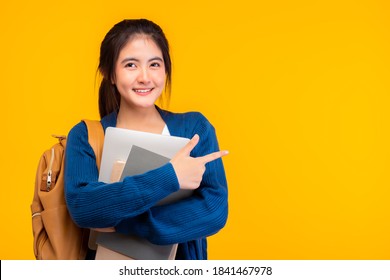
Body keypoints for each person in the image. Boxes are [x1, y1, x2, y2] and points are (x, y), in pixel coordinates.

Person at [64, 18, 228, 260]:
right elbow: (85, 208)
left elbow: (214, 211)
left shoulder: (194, 129)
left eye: (154, 64)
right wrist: (171, 176)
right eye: (131, 65)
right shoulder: (86, 135)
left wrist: (124, 225)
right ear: (109, 73)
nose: (144, 77)